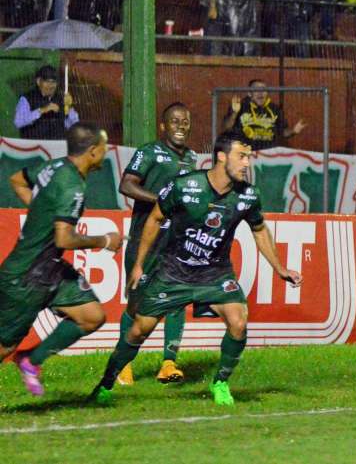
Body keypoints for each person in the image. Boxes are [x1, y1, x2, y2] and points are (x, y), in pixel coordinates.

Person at [92, 132, 303, 406]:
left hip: (215, 274)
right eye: (242, 156)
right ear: (221, 156)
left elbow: (259, 230)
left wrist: (280, 268)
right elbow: (155, 217)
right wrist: (140, 264)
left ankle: (221, 383)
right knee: (137, 331)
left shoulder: (248, 196)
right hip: (173, 271)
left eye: (248, 157)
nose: (246, 164)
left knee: (238, 322)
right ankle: (106, 384)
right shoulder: (184, 186)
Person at [0, 123, 124, 397]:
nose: (106, 152)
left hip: (50, 269)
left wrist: (41, 212)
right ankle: (21, 358)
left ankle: (31, 361)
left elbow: (17, 180)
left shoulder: (53, 167)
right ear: (92, 152)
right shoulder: (72, 187)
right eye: (104, 147)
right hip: (26, 277)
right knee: (4, 347)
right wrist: (104, 241)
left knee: (92, 316)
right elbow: (64, 240)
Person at [113, 103, 198, 387]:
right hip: (145, 241)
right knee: (137, 304)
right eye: (175, 121)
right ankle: (123, 365)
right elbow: (126, 185)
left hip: (176, 243)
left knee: (176, 301)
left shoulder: (191, 159)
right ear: (164, 126)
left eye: (185, 122)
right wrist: (161, 202)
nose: (181, 126)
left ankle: (169, 363)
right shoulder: (149, 152)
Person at [223, 79, 307, 151]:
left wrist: (294, 131)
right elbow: (227, 127)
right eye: (257, 90)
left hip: (267, 156)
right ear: (249, 93)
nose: (261, 93)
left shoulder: (274, 109)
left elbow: (283, 133)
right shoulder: (240, 106)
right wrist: (235, 113)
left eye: (264, 89)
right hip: (245, 155)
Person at [14, 65, 79, 140]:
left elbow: (73, 125)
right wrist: (42, 110)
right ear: (38, 81)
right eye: (47, 81)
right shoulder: (27, 98)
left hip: (55, 146)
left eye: (53, 82)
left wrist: (68, 108)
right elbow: (18, 122)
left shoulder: (61, 98)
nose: (50, 86)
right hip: (34, 147)